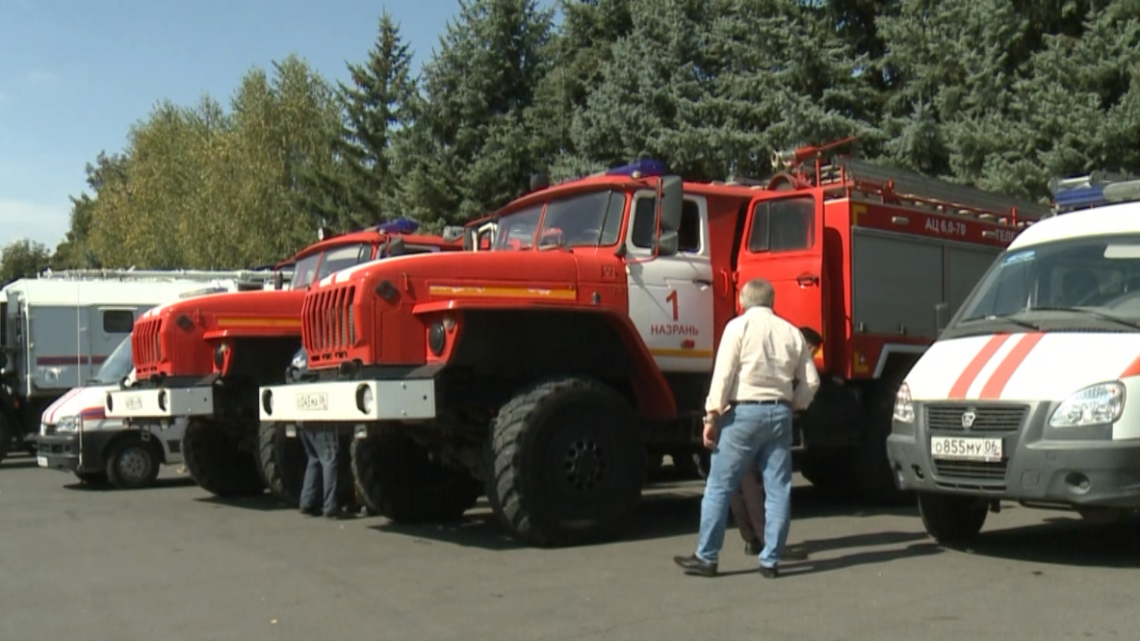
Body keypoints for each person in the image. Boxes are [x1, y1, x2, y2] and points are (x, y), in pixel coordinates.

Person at [674, 278, 820, 578]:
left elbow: (723, 375)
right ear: (772, 301)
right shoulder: (791, 331)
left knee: (719, 486)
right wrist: (793, 405)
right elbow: (812, 381)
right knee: (778, 489)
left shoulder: (737, 328)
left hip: (743, 414)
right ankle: (770, 560)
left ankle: (707, 556)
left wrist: (712, 416)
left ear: (742, 301)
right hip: (779, 414)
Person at [727, 327, 821, 561]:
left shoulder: (745, 335)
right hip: (766, 413)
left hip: (734, 412)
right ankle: (769, 542)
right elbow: (812, 382)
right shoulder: (791, 349)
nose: (812, 355)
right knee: (764, 484)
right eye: (813, 350)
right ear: (807, 345)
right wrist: (793, 405)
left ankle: (750, 538)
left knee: (738, 481)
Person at [299, 423, 346, 519]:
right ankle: (330, 507)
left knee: (314, 459)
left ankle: (307, 503)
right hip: (320, 422)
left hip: (302, 422)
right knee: (329, 460)